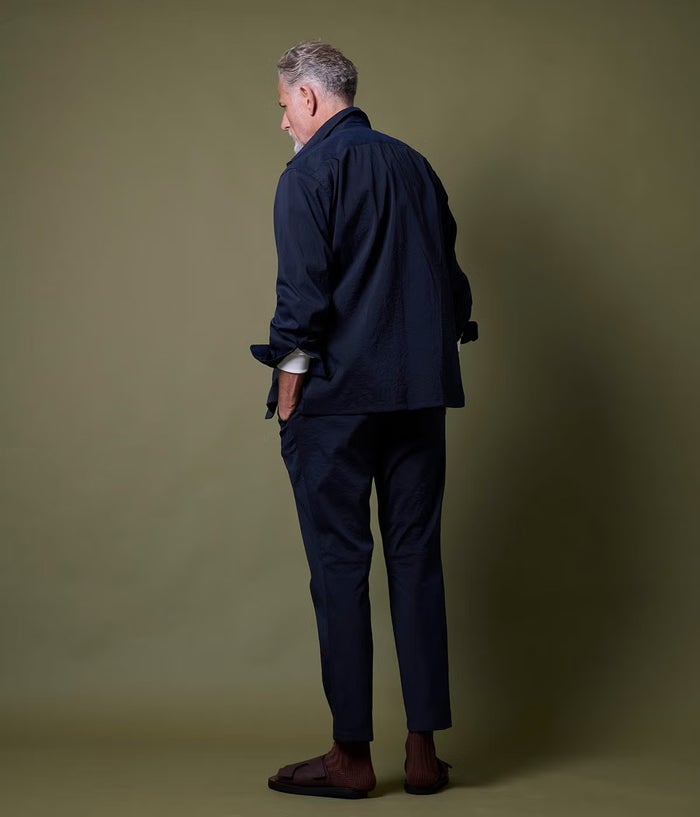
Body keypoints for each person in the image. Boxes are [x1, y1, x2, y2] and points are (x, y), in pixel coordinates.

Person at [250, 40, 477, 799]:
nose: (283, 122)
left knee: (340, 568)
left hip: (337, 403)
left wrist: (288, 400)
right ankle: (422, 752)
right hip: (418, 395)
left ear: (310, 98)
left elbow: (301, 302)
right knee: (416, 561)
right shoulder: (415, 166)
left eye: (285, 106)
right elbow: (452, 285)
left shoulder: (307, 174)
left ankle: (351, 756)